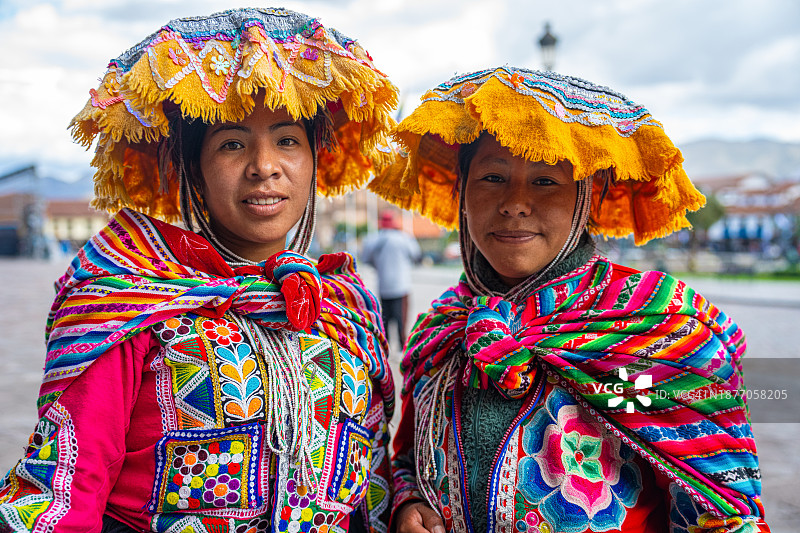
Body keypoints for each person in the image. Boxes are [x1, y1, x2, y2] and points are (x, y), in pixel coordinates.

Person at [0, 8, 398, 532]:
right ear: (194, 168)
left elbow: (373, 485)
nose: (264, 166)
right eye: (232, 143)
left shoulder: (343, 306)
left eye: (287, 140)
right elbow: (64, 494)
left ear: (314, 161)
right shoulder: (128, 300)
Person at [370, 67, 770, 532]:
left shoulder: (655, 325)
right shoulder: (442, 329)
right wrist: (409, 503)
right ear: (462, 190)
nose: (515, 203)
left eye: (545, 181)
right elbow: (408, 457)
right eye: (493, 177)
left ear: (587, 195)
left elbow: (721, 510)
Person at [361, 209, 422, 348]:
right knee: (401, 319)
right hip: (402, 285)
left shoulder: (373, 240)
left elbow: (366, 259)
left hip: (384, 285)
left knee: (385, 319)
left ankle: (385, 347)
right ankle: (402, 347)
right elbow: (417, 256)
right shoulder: (404, 238)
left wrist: (379, 264)